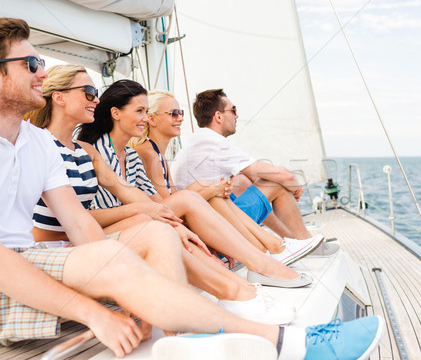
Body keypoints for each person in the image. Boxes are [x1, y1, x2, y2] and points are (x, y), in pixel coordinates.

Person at [0, 17, 383, 360]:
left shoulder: (35, 143)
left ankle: (175, 344)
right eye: (30, 61)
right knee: (126, 249)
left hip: (27, 262)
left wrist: (124, 276)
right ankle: (286, 344)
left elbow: (81, 226)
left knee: (156, 233)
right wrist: (97, 309)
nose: (40, 70)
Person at [24, 64, 294, 325]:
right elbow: (74, 218)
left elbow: (126, 190)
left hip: (85, 237)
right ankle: (236, 286)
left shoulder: (85, 150)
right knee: (156, 219)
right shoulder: (39, 145)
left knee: (166, 216)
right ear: (58, 97)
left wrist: (166, 217)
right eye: (89, 93)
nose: (96, 100)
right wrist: (148, 213)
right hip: (57, 247)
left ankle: (241, 284)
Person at [76, 80, 315, 288]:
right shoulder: (95, 152)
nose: (145, 118)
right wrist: (204, 194)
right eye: (140, 111)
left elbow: (161, 205)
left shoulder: (131, 157)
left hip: (142, 220)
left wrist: (191, 227)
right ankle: (268, 253)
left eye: (146, 111)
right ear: (116, 113)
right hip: (112, 231)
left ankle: (268, 251)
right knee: (203, 192)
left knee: (207, 192)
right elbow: (91, 215)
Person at [132, 90, 322, 265]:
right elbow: (168, 207)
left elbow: (174, 198)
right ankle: (286, 245)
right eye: (174, 113)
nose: (180, 118)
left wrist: (211, 188)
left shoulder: (160, 154)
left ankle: (282, 244)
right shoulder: (150, 153)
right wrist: (210, 189)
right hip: (197, 224)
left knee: (235, 183)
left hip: (201, 218)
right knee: (259, 186)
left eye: (181, 113)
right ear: (152, 119)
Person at [171, 89, 340, 256]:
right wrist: (294, 186)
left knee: (243, 181)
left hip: (203, 223)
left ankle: (290, 242)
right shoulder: (214, 143)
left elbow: (252, 174)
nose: (236, 116)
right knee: (275, 183)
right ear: (219, 116)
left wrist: (286, 181)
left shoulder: (198, 140)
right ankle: (308, 245)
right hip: (214, 232)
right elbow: (282, 176)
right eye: (233, 110)